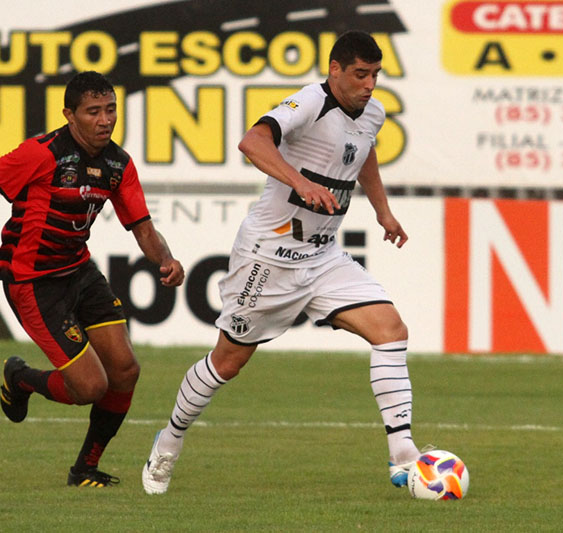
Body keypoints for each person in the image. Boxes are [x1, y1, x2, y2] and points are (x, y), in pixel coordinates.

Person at [142, 30, 422, 494]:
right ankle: (169, 440)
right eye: (360, 74)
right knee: (227, 362)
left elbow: (364, 154)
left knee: (391, 331)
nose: (370, 84)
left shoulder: (373, 112)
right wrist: (300, 183)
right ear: (335, 70)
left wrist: (383, 211)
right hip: (268, 256)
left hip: (322, 256)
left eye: (375, 74)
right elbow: (252, 142)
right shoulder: (310, 102)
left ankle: (403, 453)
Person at [0, 71, 185, 488]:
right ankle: (20, 377)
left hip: (78, 270)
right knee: (91, 386)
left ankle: (85, 469)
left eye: (110, 110)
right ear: (69, 115)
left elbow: (144, 229)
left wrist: (166, 260)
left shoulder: (118, 163)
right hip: (33, 281)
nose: (105, 120)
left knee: (125, 371)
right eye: (93, 112)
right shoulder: (42, 154)